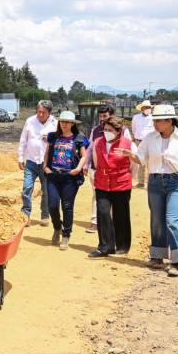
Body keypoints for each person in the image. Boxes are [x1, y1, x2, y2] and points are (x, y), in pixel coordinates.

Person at [118, 104, 178, 277]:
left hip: (177, 182)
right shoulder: (150, 138)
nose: (155, 124)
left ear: (169, 121)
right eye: (154, 120)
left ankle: (177, 262)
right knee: (157, 220)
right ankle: (157, 257)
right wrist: (130, 155)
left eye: (158, 121)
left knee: (172, 220)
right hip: (155, 182)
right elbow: (141, 159)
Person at [89, 116, 135, 258]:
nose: (106, 132)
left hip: (121, 184)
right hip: (102, 183)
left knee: (121, 215)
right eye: (105, 129)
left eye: (110, 130)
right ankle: (105, 246)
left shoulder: (128, 144)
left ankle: (122, 246)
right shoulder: (98, 142)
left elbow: (134, 165)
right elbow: (96, 161)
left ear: (118, 131)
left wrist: (126, 177)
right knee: (102, 213)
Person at [83, 104, 131, 233]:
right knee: (97, 196)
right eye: (100, 116)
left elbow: (129, 150)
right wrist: (86, 164)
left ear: (111, 116)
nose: (102, 118)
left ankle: (113, 223)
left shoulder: (123, 130)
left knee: (115, 199)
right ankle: (95, 222)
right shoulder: (95, 130)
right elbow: (90, 148)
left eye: (104, 116)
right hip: (97, 170)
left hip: (117, 173)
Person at [43, 111, 88, 250]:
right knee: (52, 205)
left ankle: (66, 234)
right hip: (53, 176)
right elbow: (47, 152)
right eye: (62, 121)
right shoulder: (53, 136)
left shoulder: (79, 138)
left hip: (70, 177)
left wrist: (78, 168)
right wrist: (45, 166)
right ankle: (57, 227)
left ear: (72, 124)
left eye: (67, 122)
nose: (64, 124)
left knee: (67, 206)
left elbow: (84, 156)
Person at [18, 100, 58, 226]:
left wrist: (51, 139)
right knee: (27, 188)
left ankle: (45, 215)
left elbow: (60, 142)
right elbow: (23, 140)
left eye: (43, 112)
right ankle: (26, 215)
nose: (40, 114)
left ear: (49, 113)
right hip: (31, 161)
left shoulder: (55, 123)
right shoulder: (30, 121)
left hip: (46, 164)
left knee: (46, 190)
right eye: (39, 111)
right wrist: (20, 158)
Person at [131, 100, 155, 187]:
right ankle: (141, 182)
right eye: (146, 107)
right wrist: (136, 136)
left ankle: (151, 182)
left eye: (149, 107)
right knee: (140, 161)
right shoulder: (136, 117)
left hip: (151, 142)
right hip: (139, 141)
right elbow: (133, 129)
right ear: (142, 108)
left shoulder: (153, 118)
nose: (147, 109)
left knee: (151, 162)